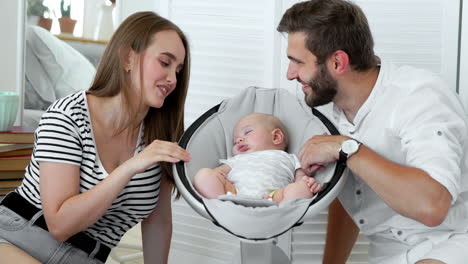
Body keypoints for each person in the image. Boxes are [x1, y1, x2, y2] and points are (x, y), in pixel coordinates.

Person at [277, 0, 468, 263]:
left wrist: (346, 148)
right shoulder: (326, 112)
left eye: (297, 62)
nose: (289, 74)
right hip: (387, 255)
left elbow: (432, 207)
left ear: (337, 62)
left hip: (451, 241)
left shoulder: (420, 97)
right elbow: (347, 197)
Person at [0, 11, 191, 264]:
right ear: (128, 58)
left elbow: (158, 222)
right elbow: (59, 224)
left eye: (178, 70)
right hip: (19, 237)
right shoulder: (67, 116)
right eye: (165, 63)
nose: (172, 79)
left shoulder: (159, 138)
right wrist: (130, 167)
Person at [193, 113, 321, 204]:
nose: (239, 140)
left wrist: (307, 182)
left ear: (276, 137)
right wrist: (220, 179)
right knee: (203, 175)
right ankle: (221, 206)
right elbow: (217, 173)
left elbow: (300, 178)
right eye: (235, 141)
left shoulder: (290, 158)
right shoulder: (237, 159)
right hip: (234, 194)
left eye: (247, 132)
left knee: (302, 189)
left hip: (273, 196)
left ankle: (282, 213)